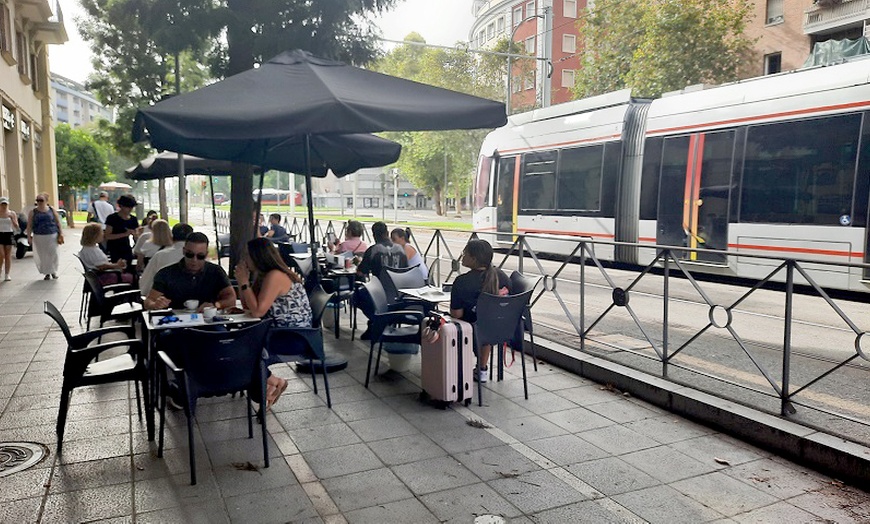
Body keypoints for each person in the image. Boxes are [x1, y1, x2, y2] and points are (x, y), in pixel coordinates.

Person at [235, 237, 313, 408]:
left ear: (258, 256)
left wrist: (243, 282)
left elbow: (257, 311)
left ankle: (272, 382)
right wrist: (244, 284)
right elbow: (249, 305)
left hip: (295, 337)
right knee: (239, 346)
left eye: (247, 256)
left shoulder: (275, 276)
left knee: (243, 351)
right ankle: (270, 383)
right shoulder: (264, 275)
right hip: (276, 332)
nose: (244, 260)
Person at [449, 239, 510, 382]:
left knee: (453, 324)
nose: (462, 256)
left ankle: (457, 368)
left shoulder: (462, 281)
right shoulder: (501, 276)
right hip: (501, 329)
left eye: (465, 253)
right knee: (485, 323)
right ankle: (481, 368)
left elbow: (457, 314)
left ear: (473, 259)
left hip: (473, 331)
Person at [144, 232, 236, 311]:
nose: (194, 260)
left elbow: (231, 298)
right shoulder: (166, 274)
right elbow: (149, 301)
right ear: (184, 251)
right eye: (190, 255)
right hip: (175, 324)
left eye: (200, 256)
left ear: (206, 255)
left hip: (208, 323)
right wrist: (155, 305)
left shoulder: (216, 272)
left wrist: (215, 305)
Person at [138, 223, 193, 296]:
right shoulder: (199, 257)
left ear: (172, 237)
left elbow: (144, 284)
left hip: (162, 301)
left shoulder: (160, 255)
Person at [26, 192, 63, 280]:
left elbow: (58, 222)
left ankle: (53, 271)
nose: (39, 202)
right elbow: (29, 225)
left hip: (52, 234)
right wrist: (28, 236)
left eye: (41, 200)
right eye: (37, 200)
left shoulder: (51, 209)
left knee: (53, 253)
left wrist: (60, 233)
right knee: (43, 255)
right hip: (39, 235)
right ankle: (47, 273)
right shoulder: (33, 212)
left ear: (46, 201)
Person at [104, 194, 139, 267]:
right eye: (128, 207)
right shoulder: (112, 218)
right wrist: (124, 234)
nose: (130, 209)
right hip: (114, 248)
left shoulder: (133, 219)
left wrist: (135, 235)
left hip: (126, 248)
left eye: (132, 207)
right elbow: (107, 236)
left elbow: (136, 235)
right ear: (121, 206)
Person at [0, 197, 19, 281]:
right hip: (0, 233)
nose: (4, 206)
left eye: (5, 204)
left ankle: (7, 274)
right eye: (2, 204)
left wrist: (12, 219)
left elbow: (16, 226)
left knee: (8, 255)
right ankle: (0, 269)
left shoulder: (12, 213)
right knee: (1, 254)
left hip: (8, 233)